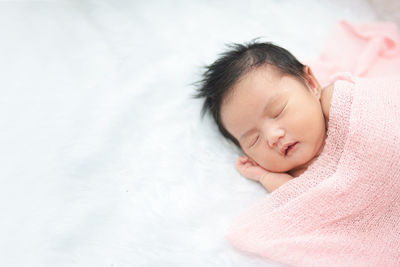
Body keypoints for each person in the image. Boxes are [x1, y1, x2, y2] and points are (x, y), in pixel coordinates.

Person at [195, 41, 334, 192]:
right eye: (254, 140)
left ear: (311, 84)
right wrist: (264, 176)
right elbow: (301, 201)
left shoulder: (337, 102)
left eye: (278, 111)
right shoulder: (291, 179)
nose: (272, 137)